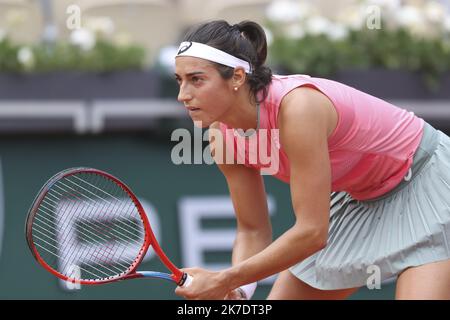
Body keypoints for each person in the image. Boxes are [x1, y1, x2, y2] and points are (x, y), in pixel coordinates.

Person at [173, 20, 450, 300]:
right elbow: (253, 229)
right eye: (179, 80)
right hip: (360, 197)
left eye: (196, 79)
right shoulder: (221, 137)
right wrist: (239, 290)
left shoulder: (299, 109)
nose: (183, 95)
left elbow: (313, 232)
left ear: (237, 77)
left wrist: (223, 279)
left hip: (429, 180)